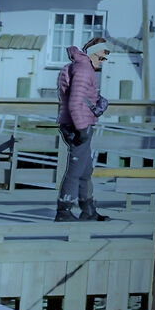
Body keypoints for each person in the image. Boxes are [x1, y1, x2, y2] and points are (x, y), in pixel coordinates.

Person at [54, 40, 110, 223]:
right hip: (78, 125)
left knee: (85, 170)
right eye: (101, 57)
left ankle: (88, 210)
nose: (102, 61)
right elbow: (76, 101)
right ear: (92, 54)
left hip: (77, 123)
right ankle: (64, 211)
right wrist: (81, 128)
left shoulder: (80, 67)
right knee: (76, 170)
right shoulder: (84, 70)